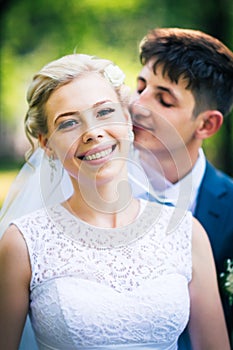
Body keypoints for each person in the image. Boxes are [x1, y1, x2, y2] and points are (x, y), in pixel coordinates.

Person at [0, 53, 230, 350]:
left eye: (105, 112)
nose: (92, 132)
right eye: (68, 123)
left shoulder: (187, 233)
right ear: (46, 143)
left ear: (126, 117)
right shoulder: (22, 243)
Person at [129, 27, 233, 348]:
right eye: (141, 87)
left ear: (206, 124)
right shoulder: (89, 184)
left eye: (163, 99)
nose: (137, 106)